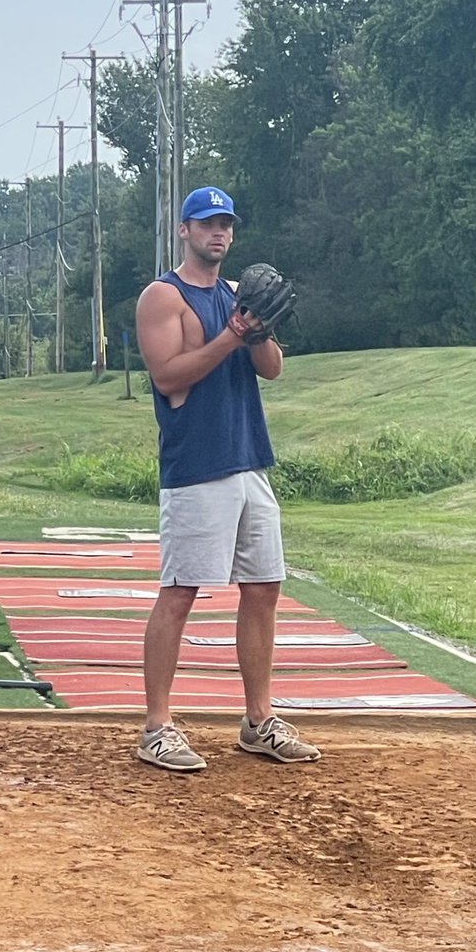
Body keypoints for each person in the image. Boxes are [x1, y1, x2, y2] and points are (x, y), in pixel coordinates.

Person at [134, 185, 321, 771]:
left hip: (249, 459)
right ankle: (157, 727)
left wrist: (257, 330)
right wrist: (233, 333)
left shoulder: (240, 295)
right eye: (207, 223)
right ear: (185, 231)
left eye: (227, 224)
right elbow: (169, 377)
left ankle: (259, 720)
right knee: (180, 592)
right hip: (197, 466)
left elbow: (273, 369)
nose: (219, 232)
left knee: (264, 587)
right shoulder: (162, 296)